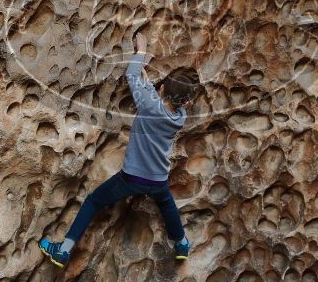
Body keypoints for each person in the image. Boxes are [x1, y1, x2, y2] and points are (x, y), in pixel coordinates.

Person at [39, 31, 199, 268]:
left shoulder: (149, 104)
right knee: (167, 205)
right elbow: (157, 101)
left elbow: (132, 75)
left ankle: (63, 250)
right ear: (185, 103)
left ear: (162, 88)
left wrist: (141, 51)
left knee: (93, 201)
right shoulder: (180, 117)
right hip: (158, 179)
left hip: (132, 177)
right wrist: (151, 87)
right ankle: (181, 243)